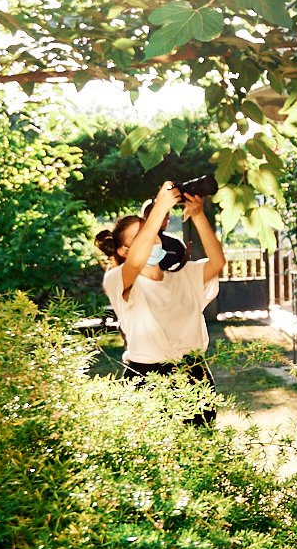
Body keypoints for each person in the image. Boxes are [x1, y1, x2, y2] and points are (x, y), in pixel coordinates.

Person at [96, 179, 226, 424]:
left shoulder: (183, 275)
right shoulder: (119, 281)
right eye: (142, 234)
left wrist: (197, 215)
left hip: (195, 375)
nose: (152, 236)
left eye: (152, 231)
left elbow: (217, 262)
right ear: (123, 250)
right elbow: (135, 263)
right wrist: (160, 208)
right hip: (148, 380)